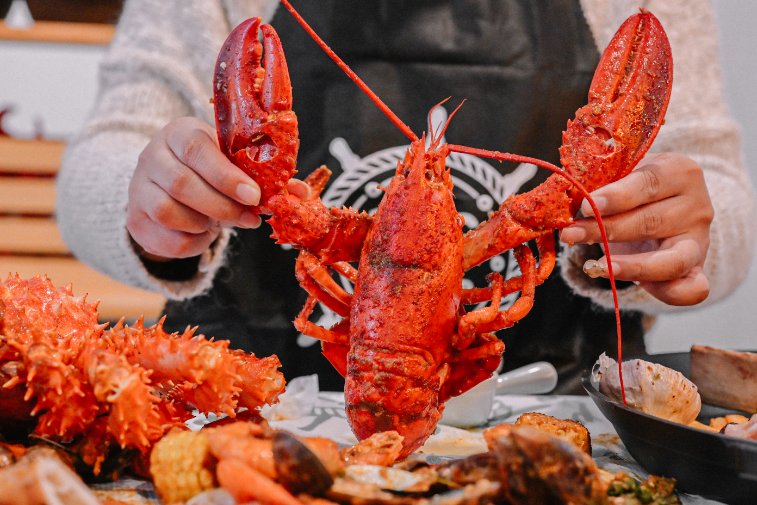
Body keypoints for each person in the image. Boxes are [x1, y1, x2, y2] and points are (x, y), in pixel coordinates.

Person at [57, 0, 755, 393]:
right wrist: (147, 196)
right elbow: (106, 151)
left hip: (551, 412)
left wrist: (674, 232)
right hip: (243, 407)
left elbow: (716, 192)